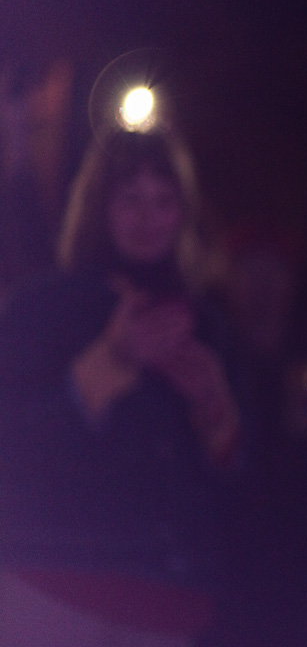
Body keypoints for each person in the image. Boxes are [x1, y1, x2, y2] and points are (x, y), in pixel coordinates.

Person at [0, 128, 240, 645]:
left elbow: (239, 487)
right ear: (99, 207)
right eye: (131, 200)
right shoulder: (43, 309)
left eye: (163, 201)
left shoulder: (210, 326)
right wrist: (107, 365)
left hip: (171, 602)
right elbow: (13, 443)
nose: (148, 219)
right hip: (56, 586)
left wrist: (215, 415)